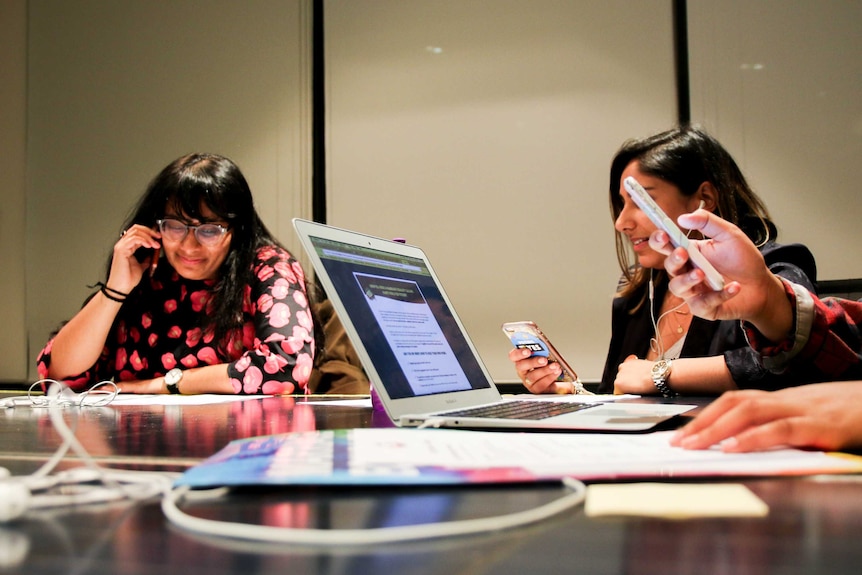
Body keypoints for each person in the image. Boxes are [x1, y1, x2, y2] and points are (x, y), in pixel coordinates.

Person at [509, 125, 817, 396]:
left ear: (704, 199)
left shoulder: (776, 265)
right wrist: (567, 392)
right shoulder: (638, 288)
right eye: (622, 203)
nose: (622, 222)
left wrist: (661, 374)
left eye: (643, 201)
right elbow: (618, 392)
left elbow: (784, 365)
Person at [36, 153, 317, 395]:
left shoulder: (266, 266)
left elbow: (286, 366)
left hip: (250, 445)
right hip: (140, 446)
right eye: (175, 226)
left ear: (237, 231)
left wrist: (163, 384)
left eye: (209, 230)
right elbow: (57, 375)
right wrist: (114, 290)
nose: (188, 245)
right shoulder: (147, 274)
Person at [646, 209, 862, 452]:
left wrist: (660, 373)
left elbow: (767, 372)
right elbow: (848, 343)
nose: (622, 223)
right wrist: (767, 303)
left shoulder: (782, 259)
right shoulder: (637, 296)